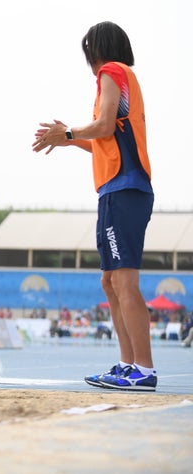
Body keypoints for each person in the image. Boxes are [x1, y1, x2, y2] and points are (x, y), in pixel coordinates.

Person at [32, 21, 156, 391]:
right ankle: (127, 362)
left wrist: (70, 132)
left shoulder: (111, 71)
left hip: (126, 188)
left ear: (94, 49)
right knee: (109, 281)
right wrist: (71, 140)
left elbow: (102, 125)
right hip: (112, 191)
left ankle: (144, 369)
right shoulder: (116, 78)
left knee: (124, 281)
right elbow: (106, 138)